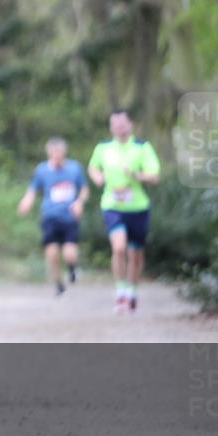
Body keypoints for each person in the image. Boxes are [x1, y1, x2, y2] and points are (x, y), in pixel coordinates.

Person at [87, 109, 161, 314]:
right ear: (111, 127)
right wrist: (97, 178)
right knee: (119, 248)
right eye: (115, 124)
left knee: (135, 253)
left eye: (122, 123)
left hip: (137, 207)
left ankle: (132, 291)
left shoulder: (142, 147)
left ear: (130, 125)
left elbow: (154, 177)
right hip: (112, 205)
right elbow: (93, 167)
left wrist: (137, 175)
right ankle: (120, 292)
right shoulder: (103, 148)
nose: (118, 127)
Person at [17, 137, 89, 295]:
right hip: (50, 216)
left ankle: (72, 269)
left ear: (64, 152)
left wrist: (79, 203)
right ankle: (58, 283)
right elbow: (33, 190)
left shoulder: (74, 168)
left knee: (69, 253)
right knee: (52, 253)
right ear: (49, 153)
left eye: (59, 152)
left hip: (69, 216)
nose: (56, 155)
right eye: (53, 152)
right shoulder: (42, 170)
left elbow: (84, 189)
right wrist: (26, 202)